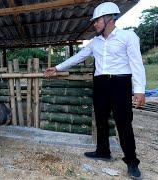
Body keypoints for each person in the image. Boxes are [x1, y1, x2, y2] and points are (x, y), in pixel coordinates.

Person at [44, 2, 145, 178]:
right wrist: (57, 68)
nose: (95, 24)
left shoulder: (128, 36)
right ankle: (103, 151)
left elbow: (137, 64)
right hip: (100, 83)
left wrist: (140, 90)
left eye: (97, 20)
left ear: (109, 19)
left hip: (121, 83)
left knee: (123, 123)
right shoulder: (95, 42)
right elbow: (78, 57)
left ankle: (131, 162)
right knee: (100, 119)